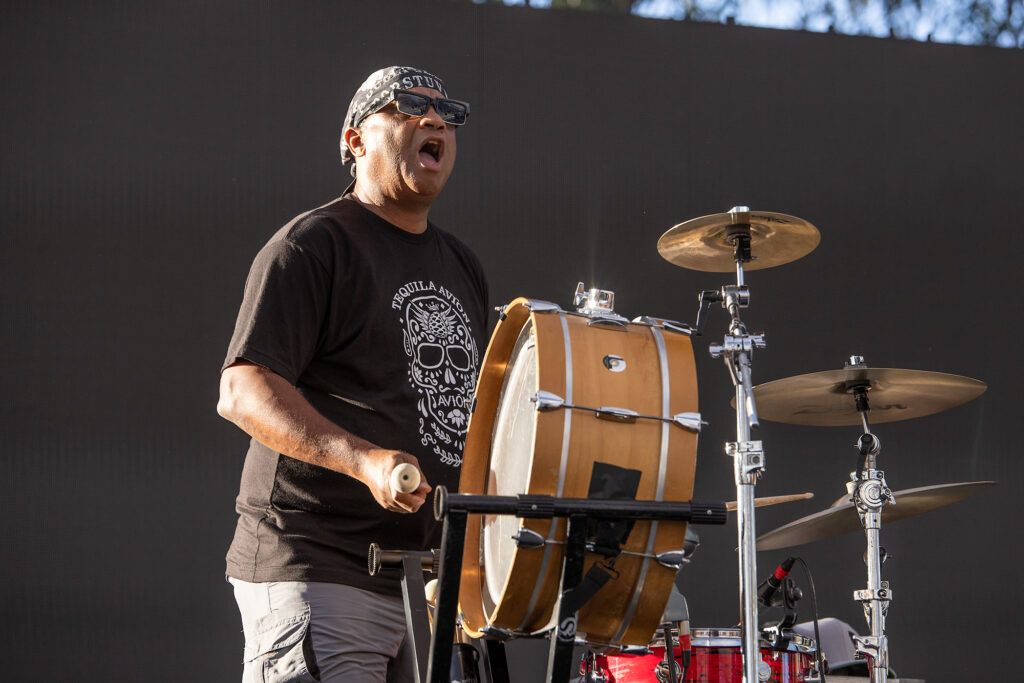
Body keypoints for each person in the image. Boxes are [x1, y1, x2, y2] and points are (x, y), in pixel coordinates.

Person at [217, 66, 489, 683]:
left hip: (421, 590)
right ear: (356, 140)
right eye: (409, 106)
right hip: (319, 569)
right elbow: (243, 388)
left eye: (448, 114)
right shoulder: (312, 246)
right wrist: (365, 460)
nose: (435, 120)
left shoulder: (462, 265)